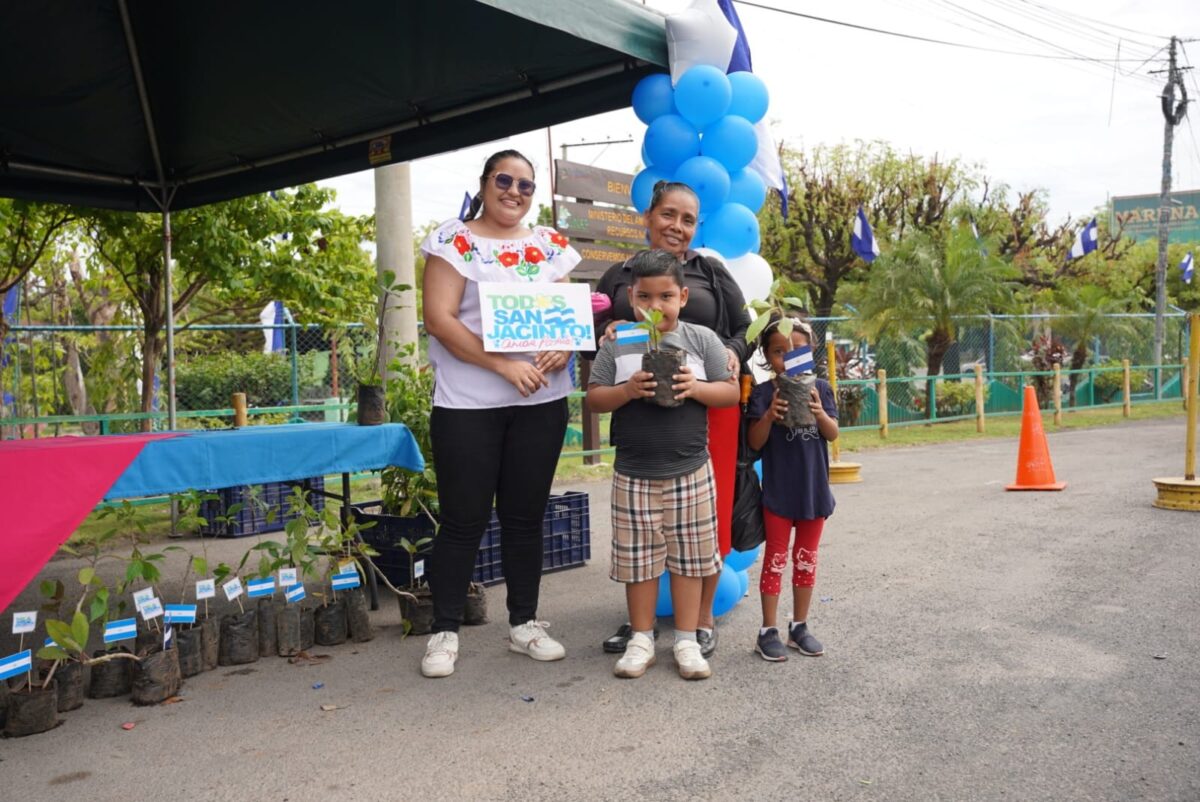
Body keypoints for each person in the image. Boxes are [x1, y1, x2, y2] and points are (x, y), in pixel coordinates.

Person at [418, 149, 581, 678]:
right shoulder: (453, 240)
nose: (514, 192)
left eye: (525, 185)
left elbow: (565, 317)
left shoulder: (549, 244)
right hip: (467, 405)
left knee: (525, 518)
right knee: (463, 520)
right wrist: (501, 366)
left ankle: (524, 623)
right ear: (485, 183)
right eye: (504, 181)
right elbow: (439, 319)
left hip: (541, 403)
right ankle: (444, 630)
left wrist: (565, 346)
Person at [593, 181, 751, 658]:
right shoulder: (620, 274)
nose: (677, 226)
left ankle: (699, 621)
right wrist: (606, 331)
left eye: (688, 219)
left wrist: (731, 352)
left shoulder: (710, 271)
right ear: (648, 216)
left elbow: (743, 328)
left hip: (705, 403)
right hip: (639, 413)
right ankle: (640, 624)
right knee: (643, 520)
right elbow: (595, 337)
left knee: (702, 518)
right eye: (668, 214)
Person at [745, 315, 839, 662]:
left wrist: (820, 413)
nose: (789, 357)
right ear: (767, 357)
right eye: (779, 351)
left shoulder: (821, 389)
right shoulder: (763, 393)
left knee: (806, 560)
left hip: (814, 493)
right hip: (779, 494)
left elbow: (833, 433)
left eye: (798, 349)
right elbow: (754, 443)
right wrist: (769, 415)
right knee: (775, 560)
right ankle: (767, 630)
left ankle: (799, 626)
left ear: (810, 351)